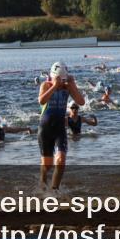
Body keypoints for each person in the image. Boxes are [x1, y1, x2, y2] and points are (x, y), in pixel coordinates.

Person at [37, 62, 85, 192]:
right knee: (47, 165)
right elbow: (41, 101)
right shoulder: (45, 85)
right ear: (52, 77)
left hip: (59, 129)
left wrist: (72, 85)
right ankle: (42, 184)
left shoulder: (67, 88)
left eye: (63, 79)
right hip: (45, 129)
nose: (61, 82)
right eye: (58, 79)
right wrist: (54, 86)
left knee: (61, 160)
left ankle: (54, 190)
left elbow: (81, 102)